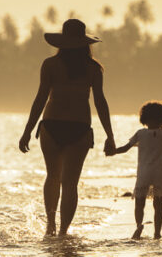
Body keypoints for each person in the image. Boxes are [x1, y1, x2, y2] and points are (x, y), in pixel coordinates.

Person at [19, 18, 116, 236]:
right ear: (85, 42)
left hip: (51, 125)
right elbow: (100, 103)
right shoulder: (93, 68)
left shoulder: (51, 65)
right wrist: (110, 136)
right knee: (70, 183)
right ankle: (63, 231)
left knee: (52, 177)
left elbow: (40, 99)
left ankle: (50, 226)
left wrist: (27, 131)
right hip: (79, 128)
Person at [113, 100, 162, 239]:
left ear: (144, 119)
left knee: (139, 203)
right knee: (158, 204)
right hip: (160, 173)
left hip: (144, 173)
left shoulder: (140, 134)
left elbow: (125, 148)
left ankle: (139, 226)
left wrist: (112, 151)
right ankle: (157, 232)